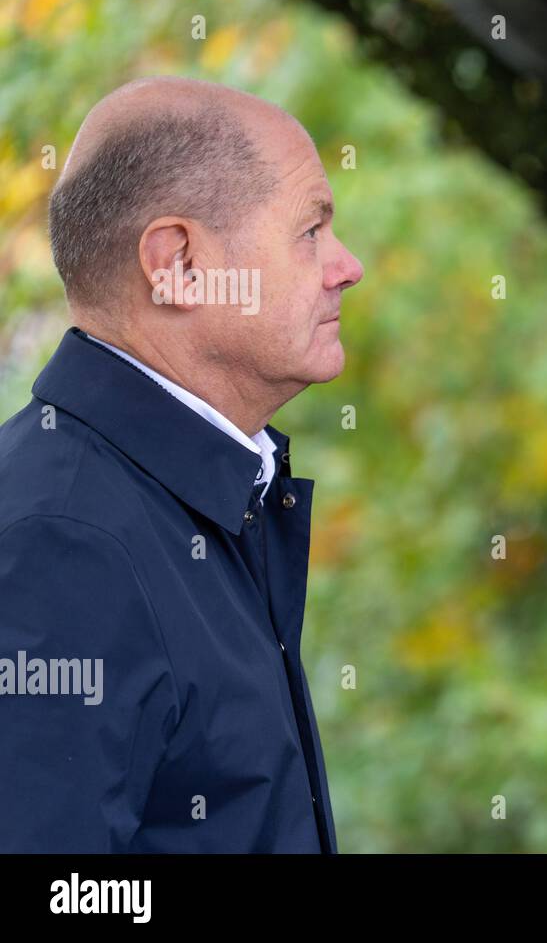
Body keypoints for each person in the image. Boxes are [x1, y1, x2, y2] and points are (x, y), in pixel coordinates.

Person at [0, 76, 363, 851]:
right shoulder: (62, 543)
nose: (347, 266)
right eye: (311, 231)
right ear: (179, 263)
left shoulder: (195, 493)